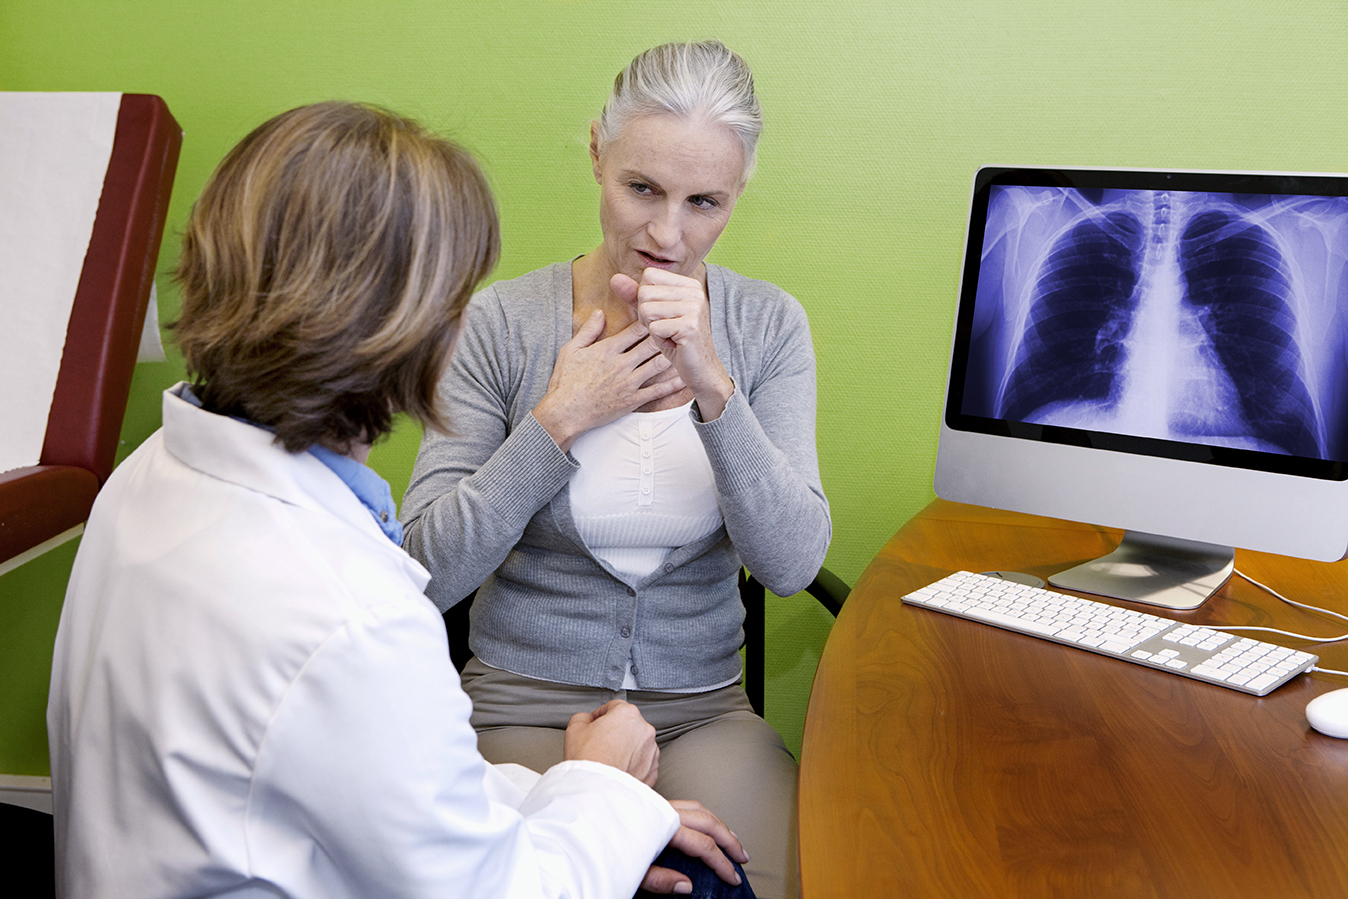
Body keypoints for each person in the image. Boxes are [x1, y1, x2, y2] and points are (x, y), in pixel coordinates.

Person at [46, 101, 749, 899]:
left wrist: (579, 802)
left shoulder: (148, 474)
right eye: (457, 299)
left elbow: (398, 791)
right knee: (712, 881)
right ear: (406, 330)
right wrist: (602, 783)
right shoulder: (354, 616)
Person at [401, 41, 830, 899]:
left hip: (702, 707)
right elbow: (423, 566)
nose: (668, 235)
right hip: (524, 703)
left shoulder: (767, 327)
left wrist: (715, 387)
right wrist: (559, 419)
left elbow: (792, 565)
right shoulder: (501, 324)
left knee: (774, 882)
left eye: (704, 202)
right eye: (642, 189)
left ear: (738, 192)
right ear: (597, 152)